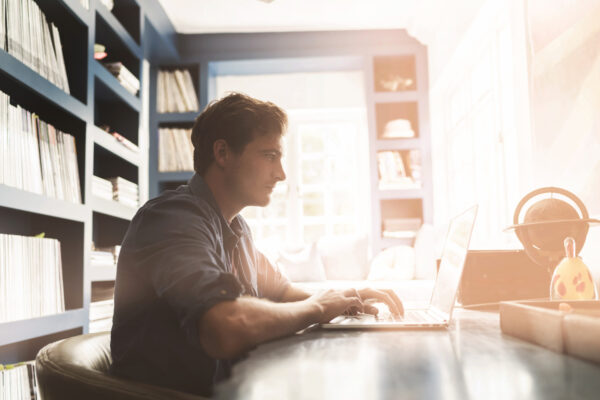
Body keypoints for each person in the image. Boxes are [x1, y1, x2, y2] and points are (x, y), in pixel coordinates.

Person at [110, 93, 404, 397]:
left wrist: (348, 298)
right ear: (223, 153)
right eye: (269, 155)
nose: (281, 174)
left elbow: (282, 293)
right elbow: (225, 327)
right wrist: (317, 308)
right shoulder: (171, 218)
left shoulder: (237, 228)